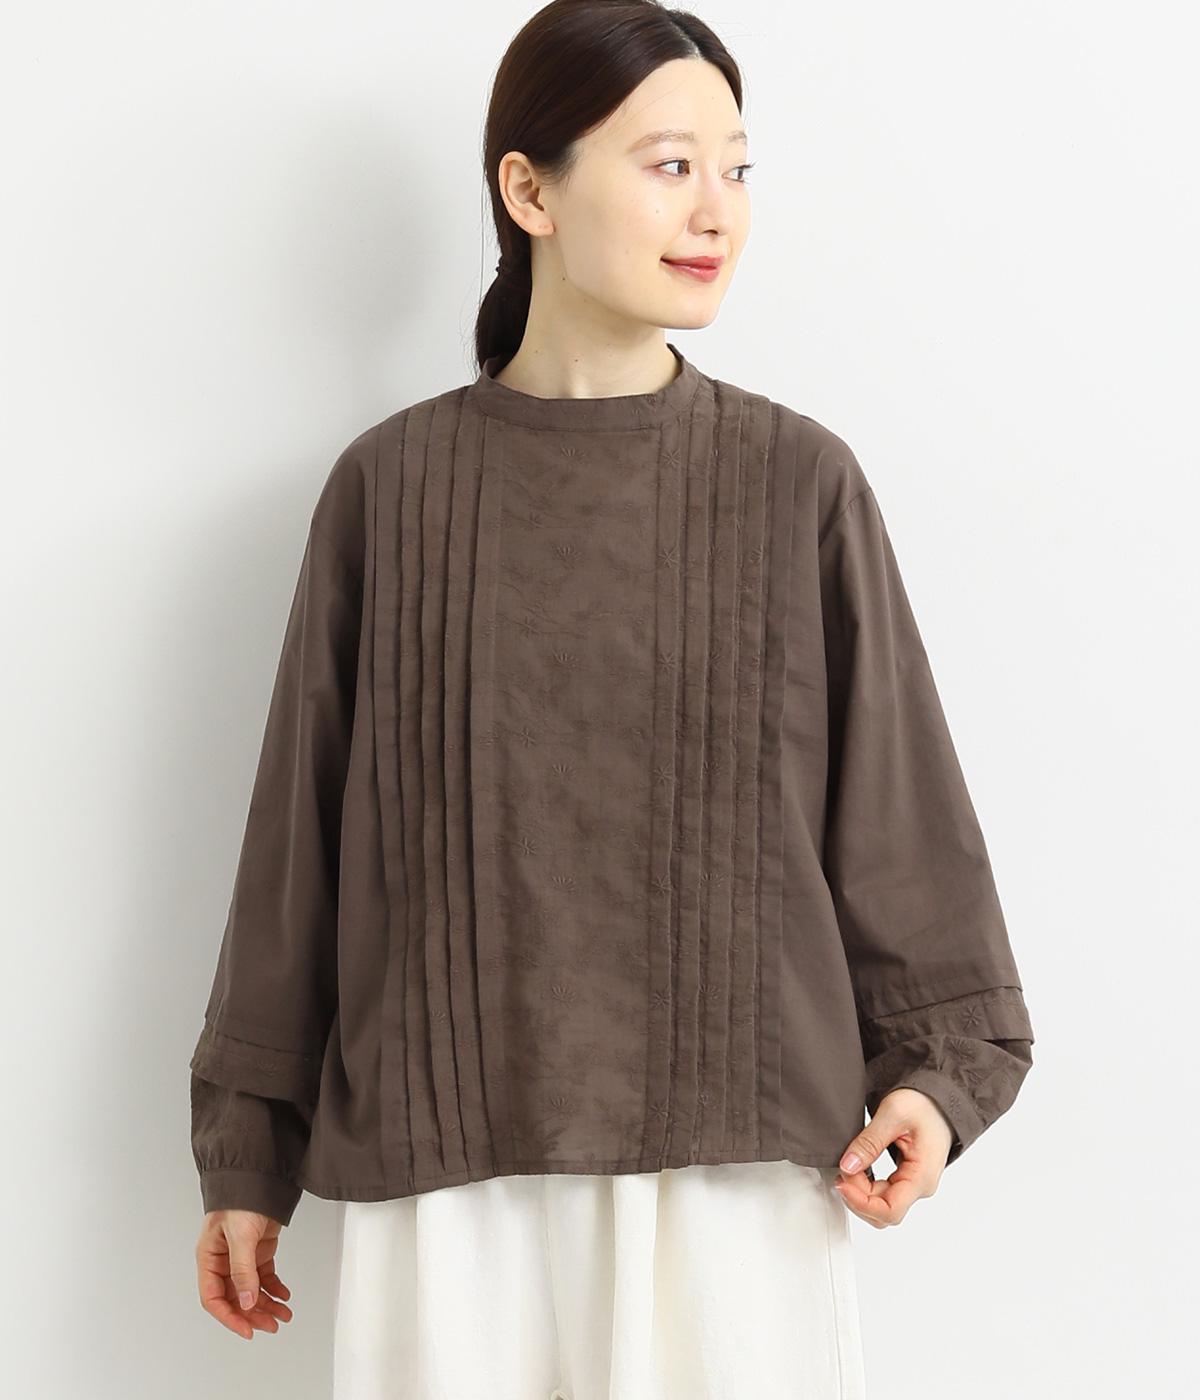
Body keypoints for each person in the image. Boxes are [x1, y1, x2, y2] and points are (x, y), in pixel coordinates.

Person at [190, 3, 1035, 1395]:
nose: (717, 210)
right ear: (530, 191)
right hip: (447, 1189)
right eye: (669, 164)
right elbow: (301, 846)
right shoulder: (389, 492)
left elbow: (898, 815)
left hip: (740, 1192)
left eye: (737, 168)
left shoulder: (797, 483)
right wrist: (247, 1147)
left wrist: (938, 1078)